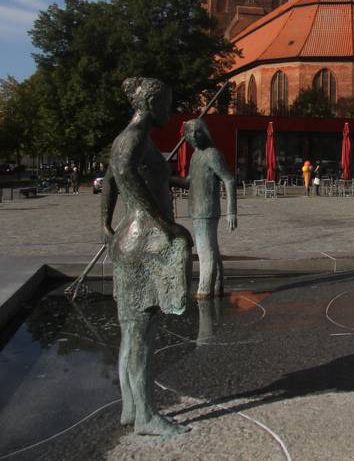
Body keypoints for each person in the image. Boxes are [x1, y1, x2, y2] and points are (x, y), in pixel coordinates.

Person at [101, 77, 192, 436]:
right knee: (142, 333)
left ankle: (130, 407)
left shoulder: (130, 138)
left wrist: (105, 224)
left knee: (130, 331)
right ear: (151, 104)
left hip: (129, 238)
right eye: (167, 103)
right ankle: (146, 417)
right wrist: (161, 223)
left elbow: (110, 179)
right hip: (143, 242)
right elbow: (123, 172)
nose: (170, 110)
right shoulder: (134, 137)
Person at [171, 119, 237, 299]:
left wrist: (231, 211)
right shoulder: (195, 156)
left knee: (205, 251)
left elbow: (229, 180)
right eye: (190, 133)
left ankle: (204, 290)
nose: (193, 136)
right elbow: (188, 182)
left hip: (206, 210)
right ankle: (217, 286)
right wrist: (168, 178)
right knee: (211, 249)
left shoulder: (212, 154)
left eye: (197, 132)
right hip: (197, 208)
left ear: (205, 133)